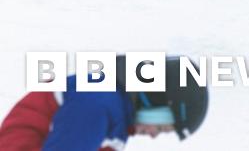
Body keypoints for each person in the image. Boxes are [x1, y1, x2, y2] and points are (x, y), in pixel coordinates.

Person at [0, 56, 208, 149]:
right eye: (161, 126)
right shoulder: (97, 104)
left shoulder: (116, 118)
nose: (154, 135)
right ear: (154, 99)